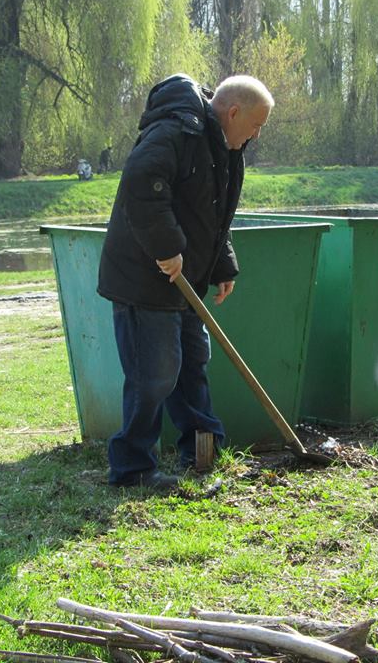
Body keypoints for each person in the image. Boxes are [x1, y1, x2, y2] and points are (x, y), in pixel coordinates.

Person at [97, 73, 274, 489]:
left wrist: (221, 265)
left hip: (185, 278)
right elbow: (142, 186)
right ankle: (132, 467)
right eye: (255, 125)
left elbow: (212, 214)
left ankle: (202, 448)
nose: (257, 134)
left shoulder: (224, 146)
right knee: (154, 373)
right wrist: (167, 247)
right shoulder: (176, 131)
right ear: (233, 112)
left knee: (192, 363)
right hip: (145, 278)